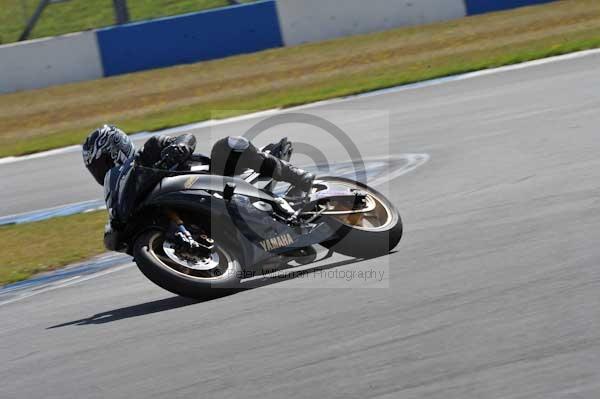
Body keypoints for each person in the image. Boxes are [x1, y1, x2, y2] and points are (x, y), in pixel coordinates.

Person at [82, 125, 314, 250]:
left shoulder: (150, 151)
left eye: (101, 164)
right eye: (95, 169)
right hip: (190, 209)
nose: (100, 172)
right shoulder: (126, 190)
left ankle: (299, 177)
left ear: (115, 150)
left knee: (228, 145)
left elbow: (187, 137)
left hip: (216, 179)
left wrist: (179, 147)